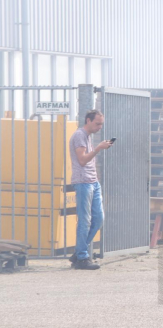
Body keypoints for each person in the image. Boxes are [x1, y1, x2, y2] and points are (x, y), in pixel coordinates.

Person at [68, 110, 114, 270]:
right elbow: (81, 160)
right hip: (83, 182)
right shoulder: (79, 135)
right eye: (97, 124)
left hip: (93, 182)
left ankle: (79, 252)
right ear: (88, 120)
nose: (100, 127)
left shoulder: (87, 136)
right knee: (85, 220)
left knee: (98, 218)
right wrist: (98, 148)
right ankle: (81, 258)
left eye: (101, 124)